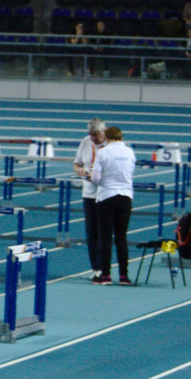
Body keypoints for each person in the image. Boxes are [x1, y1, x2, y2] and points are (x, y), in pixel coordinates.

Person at [90, 125, 135, 286]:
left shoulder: (103, 152)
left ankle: (106, 275)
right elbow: (130, 172)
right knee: (121, 237)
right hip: (125, 196)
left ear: (106, 138)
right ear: (121, 138)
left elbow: (95, 177)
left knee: (105, 237)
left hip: (107, 196)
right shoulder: (129, 152)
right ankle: (124, 275)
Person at [72, 118, 107, 281]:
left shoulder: (111, 145)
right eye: (90, 135)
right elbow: (76, 164)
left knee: (104, 231)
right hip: (89, 193)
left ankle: (105, 266)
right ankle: (96, 268)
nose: (93, 138)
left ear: (103, 132)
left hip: (106, 193)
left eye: (96, 135)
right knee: (91, 232)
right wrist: (79, 171)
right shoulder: (85, 142)